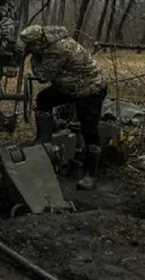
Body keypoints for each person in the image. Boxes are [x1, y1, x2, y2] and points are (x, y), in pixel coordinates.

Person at [17, 24, 107, 191]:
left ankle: (90, 176)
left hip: (90, 89)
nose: (28, 50)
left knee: (89, 130)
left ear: (38, 42)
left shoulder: (56, 49)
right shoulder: (47, 42)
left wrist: (33, 58)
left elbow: (42, 75)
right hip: (70, 86)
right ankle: (43, 142)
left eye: (29, 47)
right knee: (44, 99)